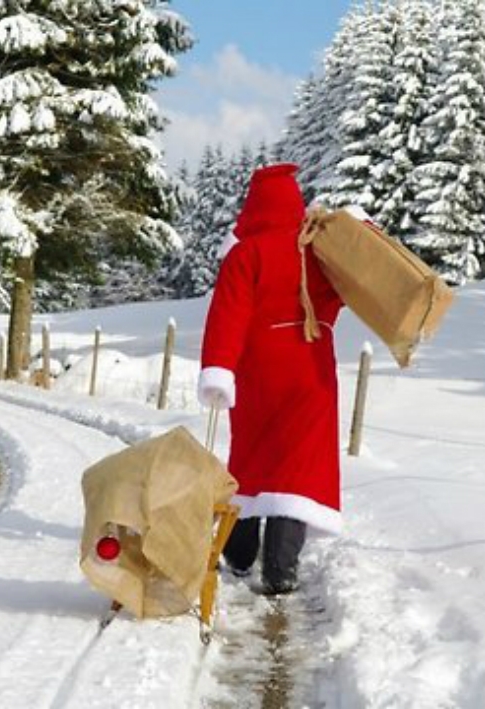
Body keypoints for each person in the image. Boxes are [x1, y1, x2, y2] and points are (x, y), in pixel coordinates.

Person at [197, 163, 343, 595]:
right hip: (313, 370)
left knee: (251, 460)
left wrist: (219, 370)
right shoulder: (319, 249)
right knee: (296, 469)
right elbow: (343, 294)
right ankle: (281, 568)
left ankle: (239, 555)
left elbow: (228, 316)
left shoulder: (246, 254)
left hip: (259, 371)